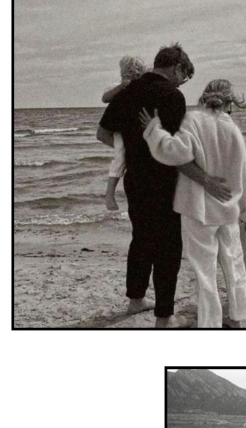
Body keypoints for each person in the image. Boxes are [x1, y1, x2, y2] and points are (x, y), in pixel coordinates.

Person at [98, 44, 231, 327]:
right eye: (184, 76)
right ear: (176, 67)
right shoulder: (172, 96)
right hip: (165, 180)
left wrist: (135, 148)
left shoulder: (127, 91)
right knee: (168, 247)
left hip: (134, 179)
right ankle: (164, 316)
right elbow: (176, 152)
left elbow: (102, 133)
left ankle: (136, 300)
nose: (182, 82)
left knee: (141, 239)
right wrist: (206, 179)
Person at [139, 79, 246, 328]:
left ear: (203, 98)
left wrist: (153, 129)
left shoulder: (193, 121)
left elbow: (174, 153)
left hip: (199, 209)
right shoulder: (232, 129)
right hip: (228, 208)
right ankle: (236, 319)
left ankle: (210, 324)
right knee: (234, 263)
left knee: (205, 272)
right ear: (229, 102)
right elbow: (244, 175)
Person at [101, 55, 148, 211]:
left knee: (124, 154)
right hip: (120, 130)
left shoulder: (141, 88)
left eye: (134, 76)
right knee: (120, 156)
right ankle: (109, 195)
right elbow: (105, 98)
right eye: (126, 76)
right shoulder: (118, 87)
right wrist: (120, 88)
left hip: (130, 130)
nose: (129, 79)